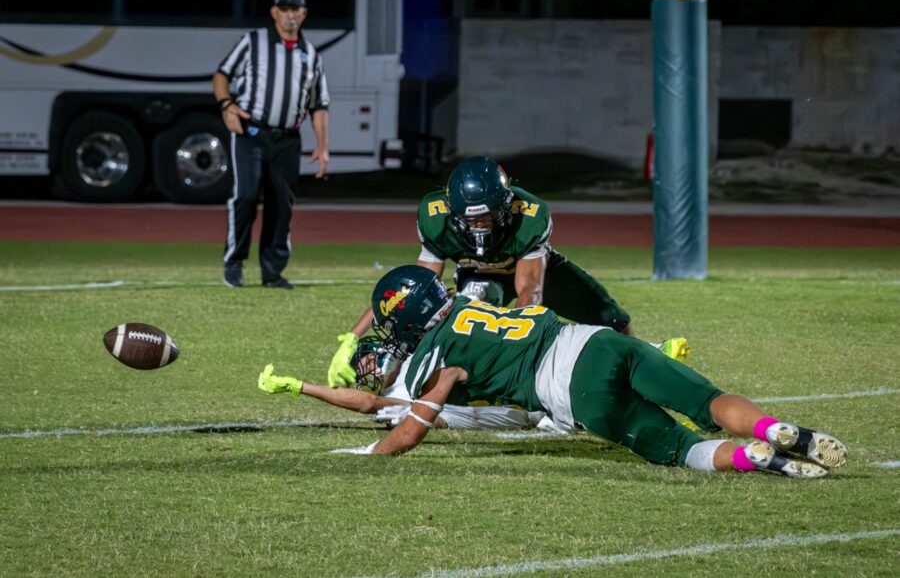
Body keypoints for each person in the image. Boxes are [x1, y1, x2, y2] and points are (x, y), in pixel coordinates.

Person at [345, 265, 849, 478]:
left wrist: (368, 452)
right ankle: (770, 429)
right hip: (594, 341)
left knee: (680, 446)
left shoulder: (436, 357)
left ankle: (756, 459)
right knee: (709, 400)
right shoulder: (473, 300)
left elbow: (409, 434)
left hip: (575, 392)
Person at [327, 155, 687, 385]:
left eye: (488, 214)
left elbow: (530, 290)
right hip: (478, 276)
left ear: (505, 203)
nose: (482, 224)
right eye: (474, 217)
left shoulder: (529, 216)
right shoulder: (434, 217)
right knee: (469, 322)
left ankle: (644, 363)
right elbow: (416, 286)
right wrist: (351, 338)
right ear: (453, 212)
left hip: (534, 268)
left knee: (611, 318)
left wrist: (516, 332)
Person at [213, 0, 330, 290]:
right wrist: (227, 105)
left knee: (282, 204)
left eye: (296, 10)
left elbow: (319, 104)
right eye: (285, 9)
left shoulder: (311, 54)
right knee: (247, 195)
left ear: (304, 14)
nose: (291, 15)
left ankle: (272, 272)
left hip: (288, 139)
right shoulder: (254, 42)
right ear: (274, 12)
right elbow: (222, 74)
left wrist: (322, 146)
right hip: (252, 132)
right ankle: (234, 262)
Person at [257, 336, 552, 431]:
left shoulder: (415, 349)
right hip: (526, 410)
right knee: (402, 415)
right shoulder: (393, 394)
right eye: (363, 369)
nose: (370, 366)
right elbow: (369, 404)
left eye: (367, 360)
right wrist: (301, 386)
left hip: (524, 375)